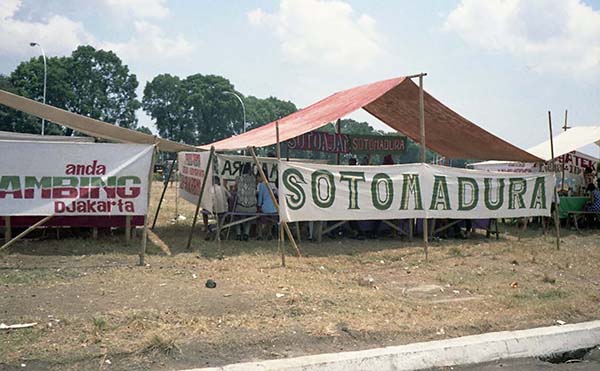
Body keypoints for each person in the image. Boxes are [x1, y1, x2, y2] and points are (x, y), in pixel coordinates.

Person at [234, 163, 257, 241]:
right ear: (249, 170)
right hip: (252, 208)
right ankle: (246, 234)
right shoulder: (254, 179)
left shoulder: (238, 178)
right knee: (249, 218)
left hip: (240, 207)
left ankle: (238, 233)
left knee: (236, 217)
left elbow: (235, 189)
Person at [257, 173, 278, 240]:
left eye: (258, 177)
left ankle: (260, 235)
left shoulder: (261, 185)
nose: (257, 179)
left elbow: (260, 198)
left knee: (259, 220)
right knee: (270, 220)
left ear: (261, 177)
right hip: (274, 208)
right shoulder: (271, 185)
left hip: (265, 207)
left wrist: (259, 206)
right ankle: (269, 233)